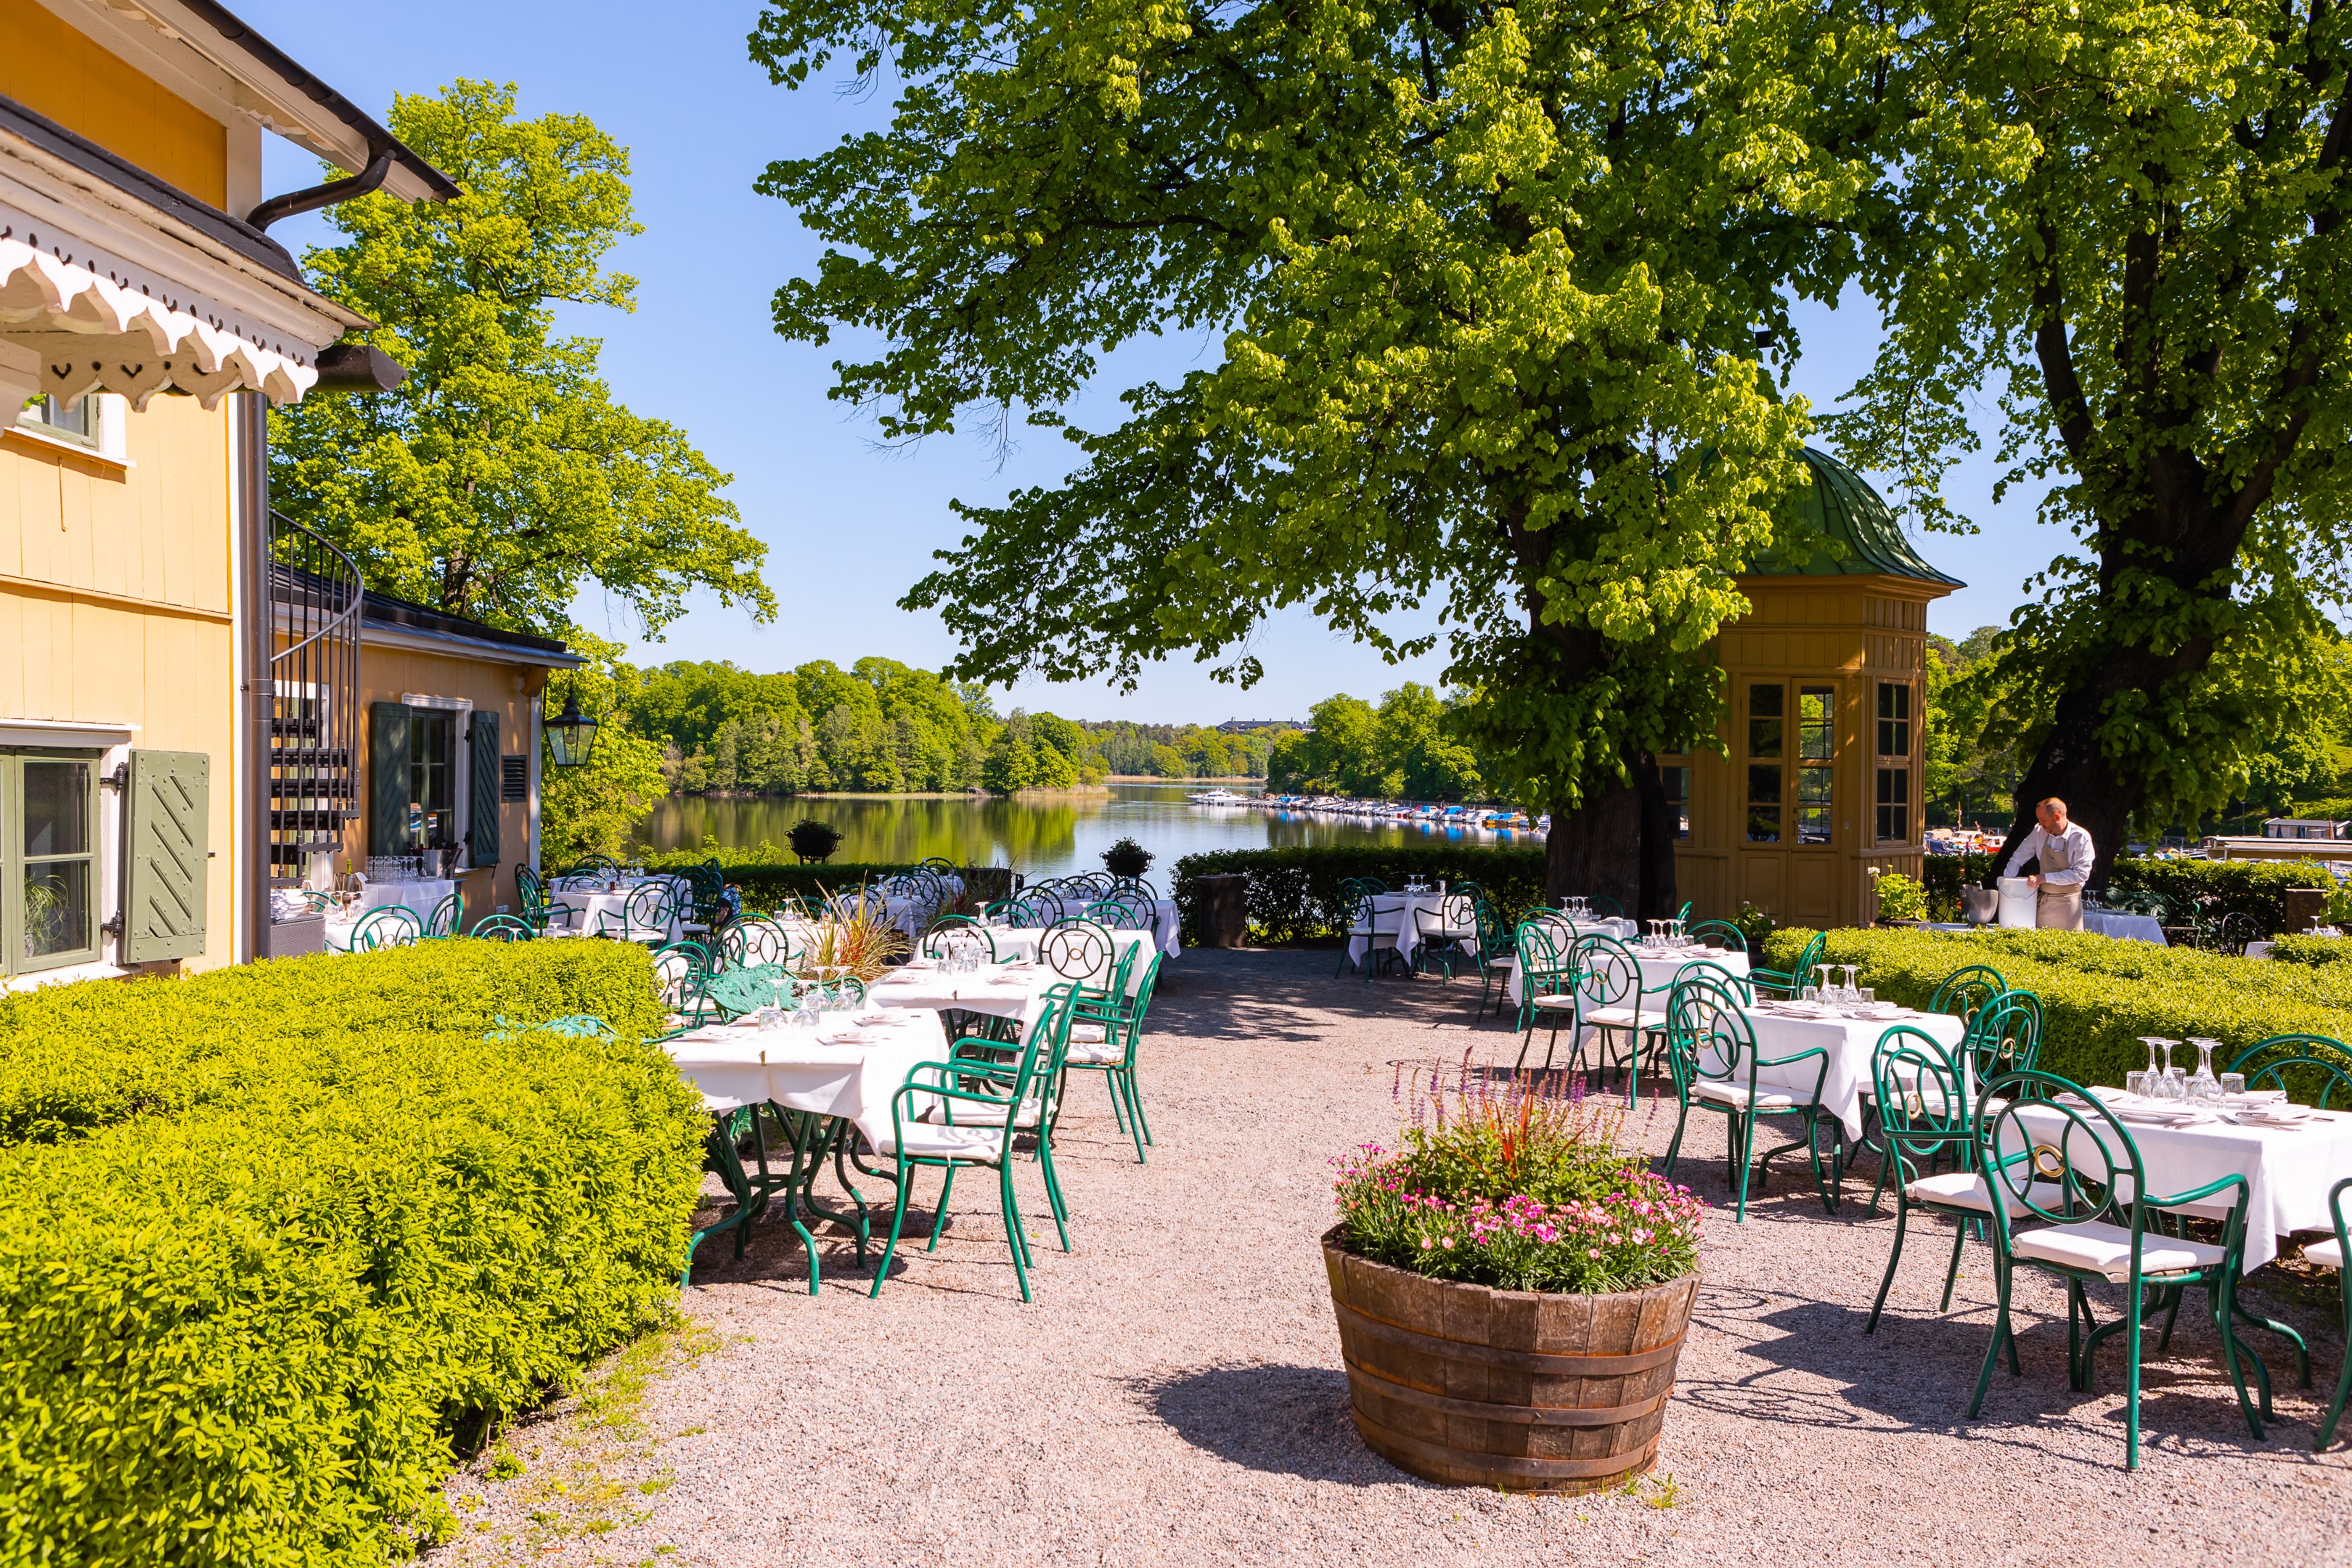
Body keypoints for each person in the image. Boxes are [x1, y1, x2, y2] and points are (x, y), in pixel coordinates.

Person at [2002, 797, 2094, 931]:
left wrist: (2044, 878)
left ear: (2057, 817)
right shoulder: (2039, 831)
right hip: (2044, 902)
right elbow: (2019, 856)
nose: (2040, 823)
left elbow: (2081, 874)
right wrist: (2006, 882)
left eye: (2043, 820)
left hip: (2069, 905)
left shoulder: (2080, 837)